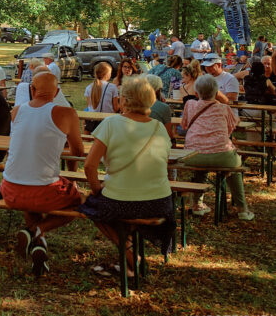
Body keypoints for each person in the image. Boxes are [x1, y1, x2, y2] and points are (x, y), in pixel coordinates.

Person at [80, 76, 177, 275]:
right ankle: (130, 259)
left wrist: (97, 189)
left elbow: (89, 166)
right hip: (160, 201)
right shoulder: (159, 127)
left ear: (125, 100)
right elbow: (163, 162)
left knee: (91, 207)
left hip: (121, 200)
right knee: (111, 209)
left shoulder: (111, 124)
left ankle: (131, 256)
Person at [2, 72, 85, 275]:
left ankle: (39, 246)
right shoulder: (67, 113)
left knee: (30, 197)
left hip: (10, 190)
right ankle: (37, 230)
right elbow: (78, 152)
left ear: (32, 90)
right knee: (80, 201)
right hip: (43, 192)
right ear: (57, 92)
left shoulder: (16, 110)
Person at [176, 75, 254, 219]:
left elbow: (184, 125)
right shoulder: (224, 108)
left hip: (192, 156)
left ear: (196, 93)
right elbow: (232, 128)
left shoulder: (190, 105)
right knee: (235, 169)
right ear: (217, 92)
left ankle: (197, 205)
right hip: (222, 156)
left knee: (201, 167)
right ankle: (242, 209)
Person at [83, 62, 117, 130]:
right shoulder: (112, 87)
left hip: (91, 121)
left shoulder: (89, 87)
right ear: (107, 74)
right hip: (107, 121)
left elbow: (89, 106)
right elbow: (115, 107)